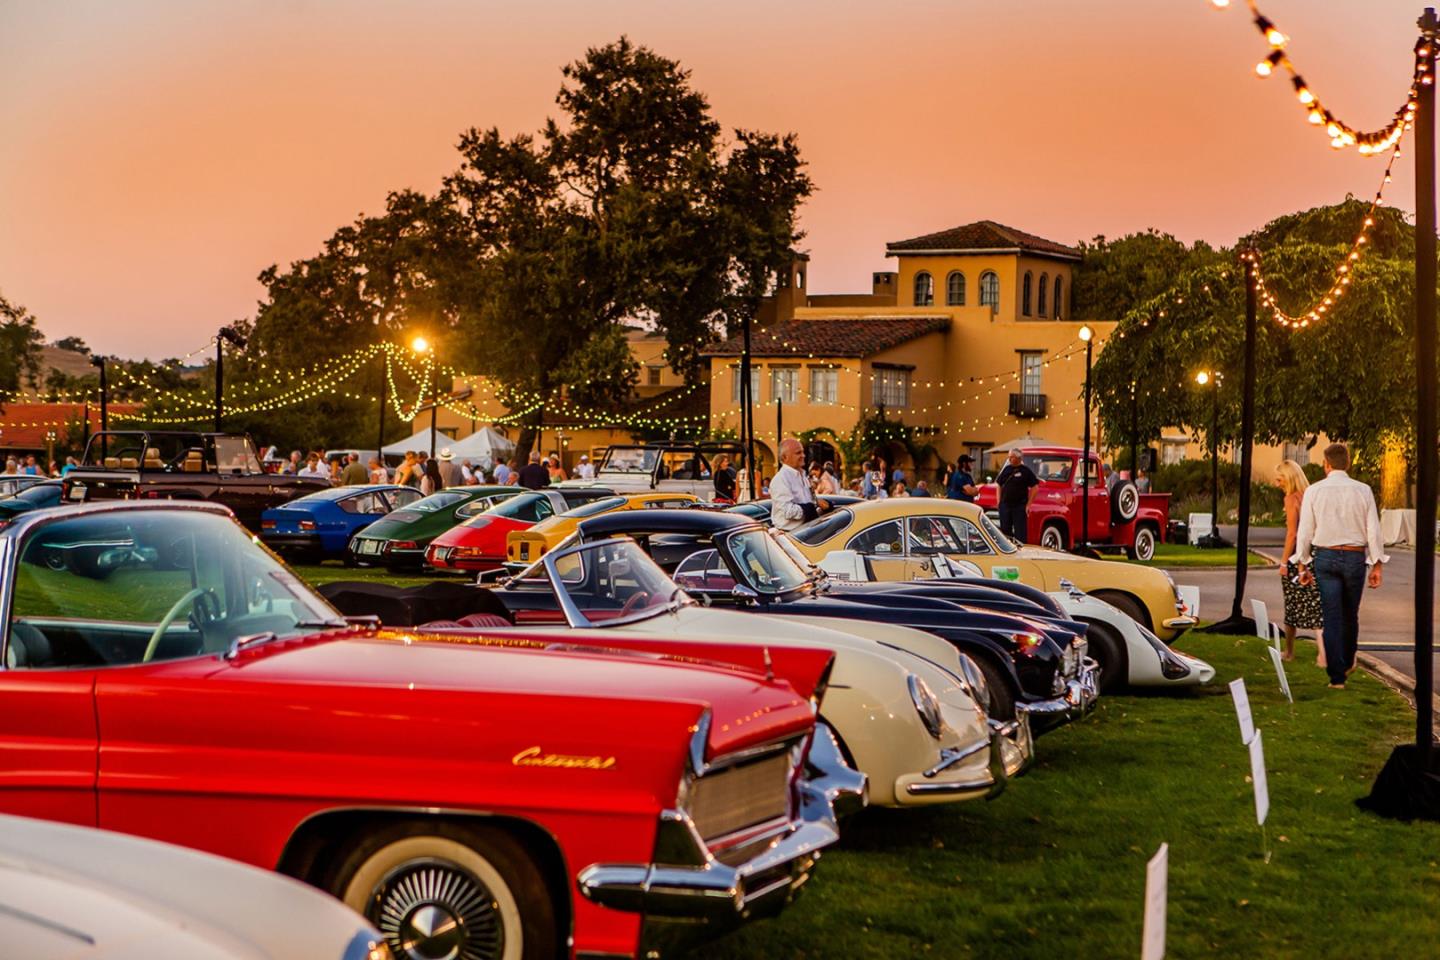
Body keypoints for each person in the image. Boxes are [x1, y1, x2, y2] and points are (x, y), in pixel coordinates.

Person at [1293, 443, 1386, 689]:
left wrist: (1302, 563)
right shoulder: (1363, 490)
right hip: (1355, 557)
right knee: (1350, 614)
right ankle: (1346, 661)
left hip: (1325, 556)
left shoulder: (1314, 491)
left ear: (1326, 464)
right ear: (1348, 463)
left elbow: (1305, 531)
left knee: (1331, 616)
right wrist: (1377, 563)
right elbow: (1373, 530)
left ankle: (1337, 677)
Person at [1275, 459, 1323, 664]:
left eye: (1280, 479)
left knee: (1292, 604)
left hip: (1297, 557)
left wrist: (1284, 562)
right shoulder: (1312, 496)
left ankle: (1289, 651)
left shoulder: (1291, 499)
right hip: (1316, 554)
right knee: (1316, 605)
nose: (1277, 484)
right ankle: (1323, 654)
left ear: (1289, 479)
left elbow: (1292, 534)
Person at [771, 437, 829, 532]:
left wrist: (821, 504)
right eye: (798, 453)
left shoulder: (802, 476)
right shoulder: (781, 479)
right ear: (785, 457)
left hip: (806, 531)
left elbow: (809, 501)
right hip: (791, 535)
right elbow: (787, 511)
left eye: (803, 452)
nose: (803, 455)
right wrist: (811, 507)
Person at [994, 449, 1039, 543]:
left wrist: (1028, 504)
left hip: (1019, 506)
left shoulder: (1026, 471)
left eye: (1011, 457)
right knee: (1005, 530)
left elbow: (1035, 487)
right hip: (1005, 505)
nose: (1009, 459)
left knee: (1020, 532)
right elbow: (998, 484)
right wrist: (999, 501)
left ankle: (1021, 550)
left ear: (1018, 458)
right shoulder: (1006, 469)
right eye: (1009, 457)